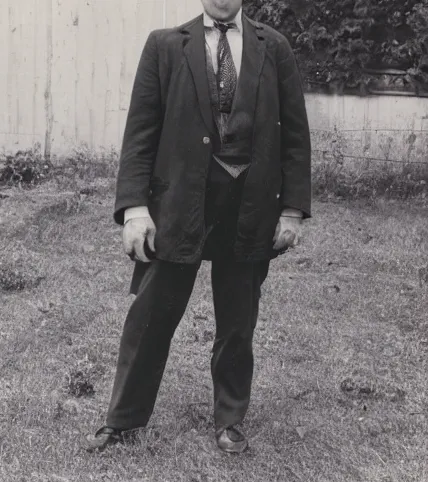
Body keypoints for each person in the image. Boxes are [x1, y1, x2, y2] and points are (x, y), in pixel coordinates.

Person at [86, 0, 311, 454]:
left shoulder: (275, 47)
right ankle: (123, 420)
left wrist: (291, 210)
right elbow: (141, 132)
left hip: (248, 208)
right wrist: (134, 208)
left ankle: (229, 421)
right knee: (151, 315)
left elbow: (295, 137)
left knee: (237, 321)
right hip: (179, 205)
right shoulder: (165, 46)